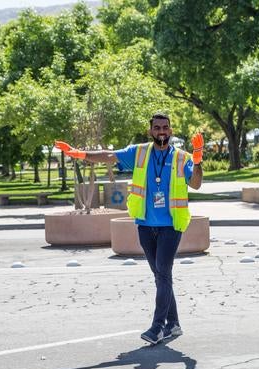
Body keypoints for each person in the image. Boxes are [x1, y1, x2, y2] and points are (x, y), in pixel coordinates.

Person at [55, 113, 204, 345]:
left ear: (171, 130)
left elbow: (195, 183)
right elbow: (109, 156)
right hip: (145, 224)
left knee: (163, 273)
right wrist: (79, 153)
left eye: (165, 127)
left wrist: (198, 159)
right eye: (157, 127)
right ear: (150, 131)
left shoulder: (182, 158)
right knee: (160, 276)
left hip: (170, 226)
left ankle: (158, 328)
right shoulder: (140, 153)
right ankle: (174, 324)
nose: (161, 131)